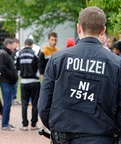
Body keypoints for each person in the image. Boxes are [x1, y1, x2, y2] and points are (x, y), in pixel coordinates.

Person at [38, 6, 121, 144]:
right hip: (100, 137)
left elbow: (44, 105)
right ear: (103, 31)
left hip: (65, 137)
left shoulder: (58, 59)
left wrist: (57, 127)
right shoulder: (116, 64)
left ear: (78, 28)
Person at [16, 39, 40, 131]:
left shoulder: (19, 54)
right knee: (35, 104)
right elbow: (38, 68)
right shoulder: (35, 53)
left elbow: (17, 68)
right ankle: (33, 124)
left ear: (24, 44)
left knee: (24, 104)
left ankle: (25, 125)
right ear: (31, 45)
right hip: (34, 81)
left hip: (24, 82)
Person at [0, 38, 18, 131]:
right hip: (6, 82)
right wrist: (11, 75)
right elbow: (2, 68)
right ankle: (4, 124)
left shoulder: (7, 54)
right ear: (8, 45)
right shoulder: (3, 54)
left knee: (8, 104)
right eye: (12, 45)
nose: (14, 47)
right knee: (6, 104)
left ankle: (6, 122)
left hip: (9, 82)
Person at [11, 38, 20, 105]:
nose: (16, 45)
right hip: (11, 71)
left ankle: (14, 98)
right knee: (12, 85)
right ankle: (12, 98)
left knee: (15, 85)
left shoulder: (17, 52)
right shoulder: (11, 52)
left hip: (16, 71)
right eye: (15, 43)